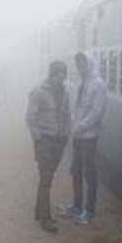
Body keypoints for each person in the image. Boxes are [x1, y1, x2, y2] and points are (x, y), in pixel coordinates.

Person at [60, 52, 108, 225]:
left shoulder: (98, 85)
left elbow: (97, 112)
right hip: (78, 135)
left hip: (89, 136)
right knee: (76, 170)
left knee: (89, 172)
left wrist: (79, 126)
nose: (80, 68)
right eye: (78, 65)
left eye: (82, 64)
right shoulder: (82, 83)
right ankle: (77, 205)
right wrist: (73, 123)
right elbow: (77, 107)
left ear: (89, 64)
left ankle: (90, 210)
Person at [26, 60, 71, 234]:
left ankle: (39, 211)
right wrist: (37, 139)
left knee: (48, 178)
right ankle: (45, 219)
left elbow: (66, 115)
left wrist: (66, 135)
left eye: (63, 74)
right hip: (45, 141)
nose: (61, 78)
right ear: (51, 74)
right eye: (58, 74)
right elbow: (30, 117)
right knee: (46, 179)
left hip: (58, 141)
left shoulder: (65, 92)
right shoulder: (39, 92)